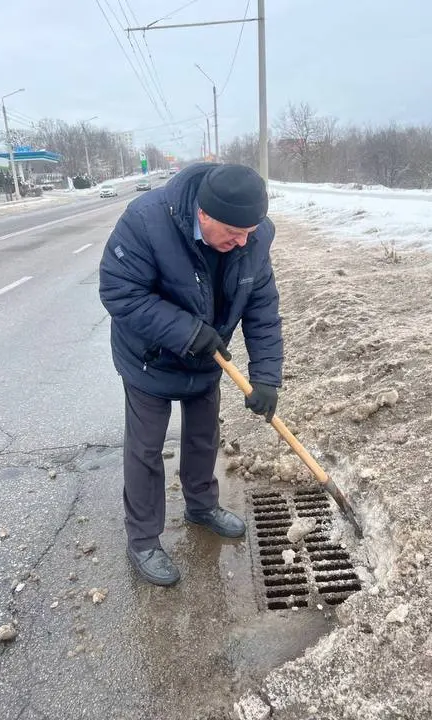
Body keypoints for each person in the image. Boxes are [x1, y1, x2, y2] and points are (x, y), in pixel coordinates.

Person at [98, 162, 282, 586]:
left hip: (206, 356)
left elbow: (262, 309)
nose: (241, 243)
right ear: (203, 214)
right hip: (150, 355)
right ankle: (143, 538)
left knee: (203, 436)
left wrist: (267, 376)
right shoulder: (146, 221)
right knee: (146, 448)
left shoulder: (252, 238)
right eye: (233, 233)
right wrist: (185, 331)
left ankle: (201, 505)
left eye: (249, 234)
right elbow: (119, 291)